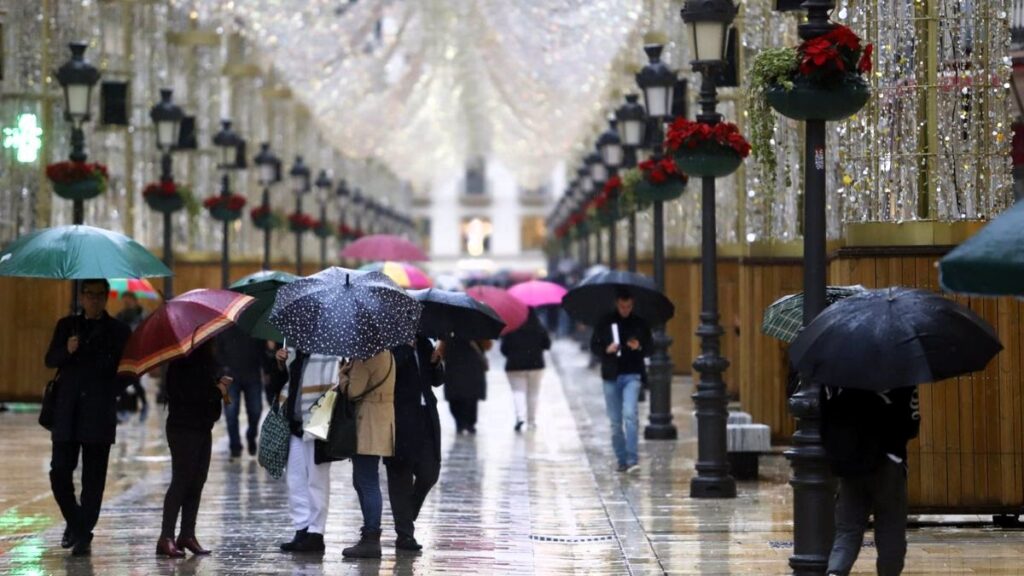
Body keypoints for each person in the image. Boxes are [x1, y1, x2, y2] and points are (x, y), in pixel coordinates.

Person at [44, 279, 132, 556]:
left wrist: (108, 391)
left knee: (93, 482)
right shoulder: (66, 326)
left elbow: (128, 372)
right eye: (89, 294)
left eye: (99, 295)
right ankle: (78, 525)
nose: (94, 300)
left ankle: (81, 532)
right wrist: (67, 350)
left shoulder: (118, 331)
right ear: (81, 297)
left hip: (98, 413)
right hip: (67, 413)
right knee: (59, 473)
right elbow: (50, 359)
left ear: (107, 298)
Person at [823, 385, 920, 576]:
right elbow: (911, 424)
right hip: (888, 460)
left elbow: (827, 416)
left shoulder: (838, 370)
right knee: (890, 527)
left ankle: (835, 572)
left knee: (848, 530)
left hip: (851, 462)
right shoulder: (903, 371)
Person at [156, 339, 230, 557]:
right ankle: (166, 536)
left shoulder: (206, 359)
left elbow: (204, 389)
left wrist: (218, 384)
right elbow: (191, 395)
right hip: (183, 428)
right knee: (181, 480)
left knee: (197, 481)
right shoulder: (180, 361)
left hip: (202, 426)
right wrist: (218, 390)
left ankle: (187, 534)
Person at [268, 347, 341, 554]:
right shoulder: (294, 352)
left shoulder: (329, 354)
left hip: (319, 425)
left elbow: (335, 388)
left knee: (317, 481)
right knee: (295, 480)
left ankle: (316, 534)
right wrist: (280, 365)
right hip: (294, 425)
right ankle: (301, 529)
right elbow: (279, 387)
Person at [384, 335, 445, 552]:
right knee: (400, 474)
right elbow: (388, 374)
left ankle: (405, 518)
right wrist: (405, 350)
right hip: (398, 416)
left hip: (425, 416)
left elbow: (436, 381)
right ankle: (405, 535)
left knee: (430, 472)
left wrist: (436, 362)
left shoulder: (424, 343)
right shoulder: (387, 343)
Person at [341, 349, 397, 559]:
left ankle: (371, 537)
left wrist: (343, 375)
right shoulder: (387, 353)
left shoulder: (367, 356)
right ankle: (370, 535)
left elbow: (354, 391)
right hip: (382, 420)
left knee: (367, 481)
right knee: (364, 479)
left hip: (368, 422)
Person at [589, 289, 652, 473]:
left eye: (629, 306)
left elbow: (650, 347)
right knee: (615, 422)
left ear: (633, 305)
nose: (625, 310)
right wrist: (606, 350)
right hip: (611, 375)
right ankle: (621, 459)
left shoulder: (639, 323)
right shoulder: (605, 322)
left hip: (632, 373)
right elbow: (594, 345)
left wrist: (639, 346)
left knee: (630, 415)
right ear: (617, 304)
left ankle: (632, 459)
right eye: (622, 306)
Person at [216, 325, 266, 458]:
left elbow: (261, 348)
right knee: (231, 414)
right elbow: (217, 350)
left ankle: (251, 435)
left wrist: (265, 367)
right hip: (229, 376)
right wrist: (221, 371)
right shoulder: (223, 326)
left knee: (255, 411)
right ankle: (235, 446)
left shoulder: (254, 323)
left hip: (252, 374)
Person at [499, 309, 551, 432]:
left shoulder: (511, 328)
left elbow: (504, 349)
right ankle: (531, 421)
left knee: (518, 392)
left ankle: (520, 417)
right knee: (533, 393)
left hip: (515, 365)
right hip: (536, 365)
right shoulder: (539, 327)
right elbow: (547, 345)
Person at [443, 338, 489, 434]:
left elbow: (443, 351)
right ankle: (469, 424)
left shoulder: (448, 329)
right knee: (471, 398)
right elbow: (487, 345)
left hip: (454, 367)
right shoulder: (478, 327)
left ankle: (461, 423)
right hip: (472, 368)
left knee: (456, 398)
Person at [115, 292, 148, 423]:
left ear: (134, 300)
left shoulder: (142, 315)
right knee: (122, 380)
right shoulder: (121, 315)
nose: (126, 302)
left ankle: (144, 404)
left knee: (135, 381)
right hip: (123, 352)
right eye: (124, 300)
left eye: (128, 300)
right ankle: (123, 408)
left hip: (138, 352)